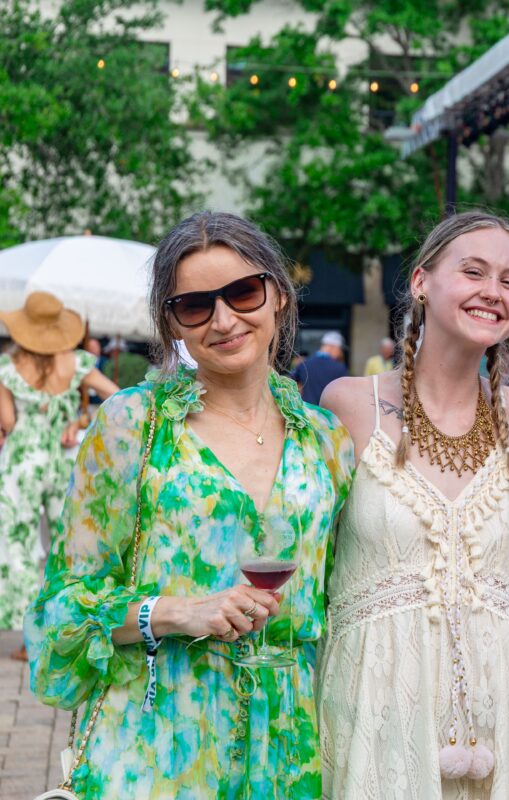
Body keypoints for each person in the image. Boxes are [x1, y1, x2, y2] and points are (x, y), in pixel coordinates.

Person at [24, 211, 355, 798]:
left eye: (243, 292)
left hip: (290, 751)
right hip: (161, 746)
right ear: (171, 320)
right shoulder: (133, 424)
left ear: (277, 294)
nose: (224, 320)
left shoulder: (326, 439)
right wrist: (178, 612)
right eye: (195, 305)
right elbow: (62, 612)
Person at [318, 211, 509, 799]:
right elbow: (303, 553)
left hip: (500, 709)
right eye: (474, 271)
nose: (493, 292)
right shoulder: (348, 404)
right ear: (421, 282)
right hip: (376, 701)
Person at [0, 293, 118, 656]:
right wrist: (81, 419)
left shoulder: (7, 367)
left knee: (17, 546)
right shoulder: (79, 362)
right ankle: (63, 629)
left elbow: (7, 422)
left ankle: (27, 636)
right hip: (65, 461)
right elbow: (117, 398)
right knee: (67, 546)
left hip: (22, 462)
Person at [292, 330, 348, 404]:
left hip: (306, 412)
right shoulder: (339, 368)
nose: (340, 353)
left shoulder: (304, 364)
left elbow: (292, 385)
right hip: (328, 413)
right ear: (333, 347)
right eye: (340, 350)